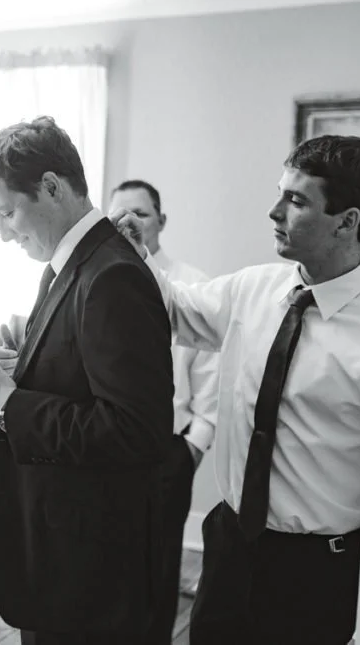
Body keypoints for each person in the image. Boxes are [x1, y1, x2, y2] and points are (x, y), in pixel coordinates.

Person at [112, 134, 360, 645]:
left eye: (296, 200)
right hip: (231, 544)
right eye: (280, 193)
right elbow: (172, 309)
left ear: (347, 222)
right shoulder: (253, 288)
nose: (274, 211)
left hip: (317, 571)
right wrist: (135, 255)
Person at [0, 116, 174, 645]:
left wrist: (9, 405)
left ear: (52, 187)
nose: (4, 233)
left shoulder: (112, 275)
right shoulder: (69, 265)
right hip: (61, 554)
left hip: (88, 573)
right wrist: (26, 364)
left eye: (8, 213)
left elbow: (135, 429)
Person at [108, 179, 219, 645]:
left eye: (140, 213)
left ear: (162, 221)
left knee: (159, 569)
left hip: (167, 453)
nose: (128, 223)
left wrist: (191, 449)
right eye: (118, 215)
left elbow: (212, 380)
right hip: (105, 450)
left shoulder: (194, 285)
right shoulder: (98, 282)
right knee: (106, 569)